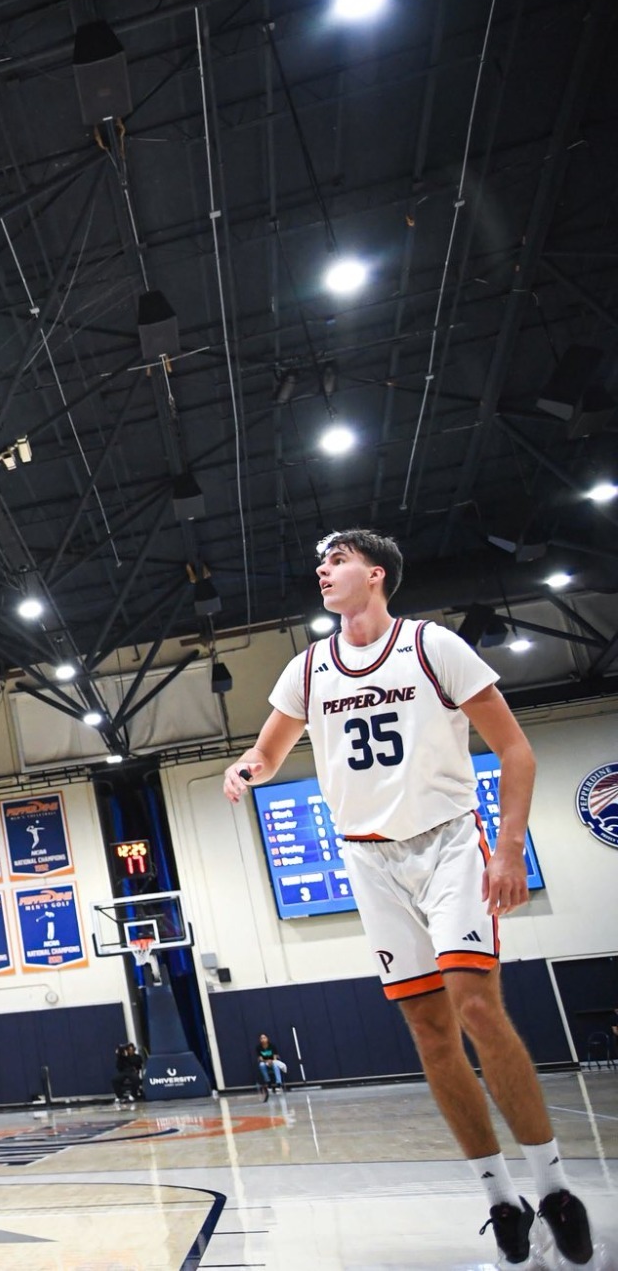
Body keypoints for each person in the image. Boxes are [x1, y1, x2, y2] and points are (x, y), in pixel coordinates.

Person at [222, 528, 595, 1268]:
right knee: (429, 1032)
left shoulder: (431, 647)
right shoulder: (309, 667)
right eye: (319, 559)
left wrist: (511, 849)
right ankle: (499, 1195)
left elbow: (514, 750)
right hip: (368, 858)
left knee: (478, 1007)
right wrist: (246, 769)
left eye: (337, 560)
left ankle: (555, 1187)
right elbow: (266, 750)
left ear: (377, 573)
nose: (322, 569)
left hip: (450, 841)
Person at [254, 1035, 287, 1099]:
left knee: (276, 1065)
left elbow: (275, 1057)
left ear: (267, 1038)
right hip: (265, 1062)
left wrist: (271, 1061)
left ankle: (278, 1084)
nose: (263, 1039)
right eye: (261, 1038)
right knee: (261, 1065)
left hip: (273, 1061)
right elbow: (260, 1058)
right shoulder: (258, 1048)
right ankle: (268, 1082)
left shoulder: (272, 1046)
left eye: (264, 1038)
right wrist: (266, 1061)